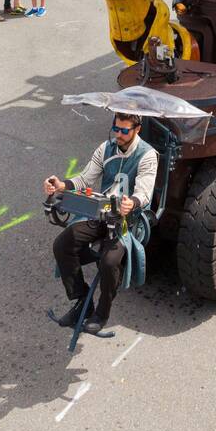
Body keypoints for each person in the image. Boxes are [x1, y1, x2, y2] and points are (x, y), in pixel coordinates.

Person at [44, 111, 158, 334]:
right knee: (63, 244)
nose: (119, 135)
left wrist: (131, 203)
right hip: (101, 212)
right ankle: (81, 301)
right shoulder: (105, 148)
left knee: (109, 262)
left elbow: (144, 193)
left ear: (137, 129)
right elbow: (85, 179)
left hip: (127, 221)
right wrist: (60, 185)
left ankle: (102, 313)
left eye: (125, 131)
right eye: (116, 129)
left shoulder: (147, 155)